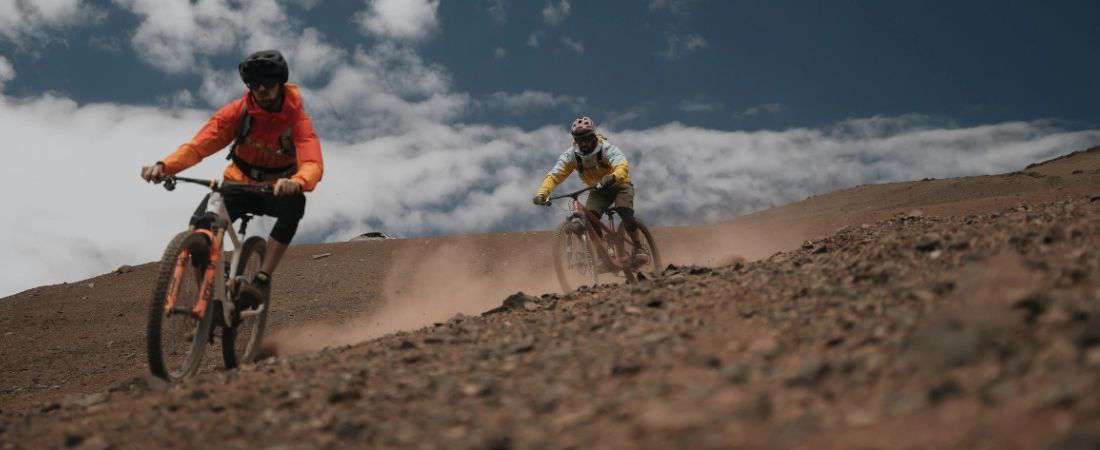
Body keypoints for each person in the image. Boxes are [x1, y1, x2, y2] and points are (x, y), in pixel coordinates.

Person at [140, 49, 323, 306]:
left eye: (268, 81)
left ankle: (261, 278)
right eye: (254, 83)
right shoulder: (237, 112)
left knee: (295, 205)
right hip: (237, 184)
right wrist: (165, 165)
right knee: (200, 226)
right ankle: (210, 295)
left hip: (275, 190)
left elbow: (312, 163)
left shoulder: (297, 119)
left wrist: (298, 182)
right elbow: (198, 147)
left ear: (280, 81)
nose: (261, 88)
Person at [533, 116, 649, 264]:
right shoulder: (571, 156)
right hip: (597, 190)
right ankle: (604, 255)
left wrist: (613, 176)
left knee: (623, 209)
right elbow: (554, 175)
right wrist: (542, 193)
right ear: (575, 139)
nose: (584, 143)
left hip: (619, 185)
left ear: (593, 135)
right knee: (590, 217)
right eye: (579, 139)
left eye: (587, 138)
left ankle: (639, 247)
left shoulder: (606, 147)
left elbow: (622, 165)